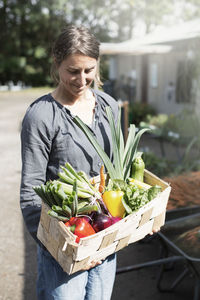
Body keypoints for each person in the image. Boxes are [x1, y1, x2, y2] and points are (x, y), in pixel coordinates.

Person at [20, 25, 119, 300]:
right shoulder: (41, 116)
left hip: (104, 237)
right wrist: (60, 248)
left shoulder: (109, 106)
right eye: (73, 71)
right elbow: (31, 193)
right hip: (64, 243)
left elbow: (117, 174)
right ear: (56, 63)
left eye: (89, 70)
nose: (82, 79)